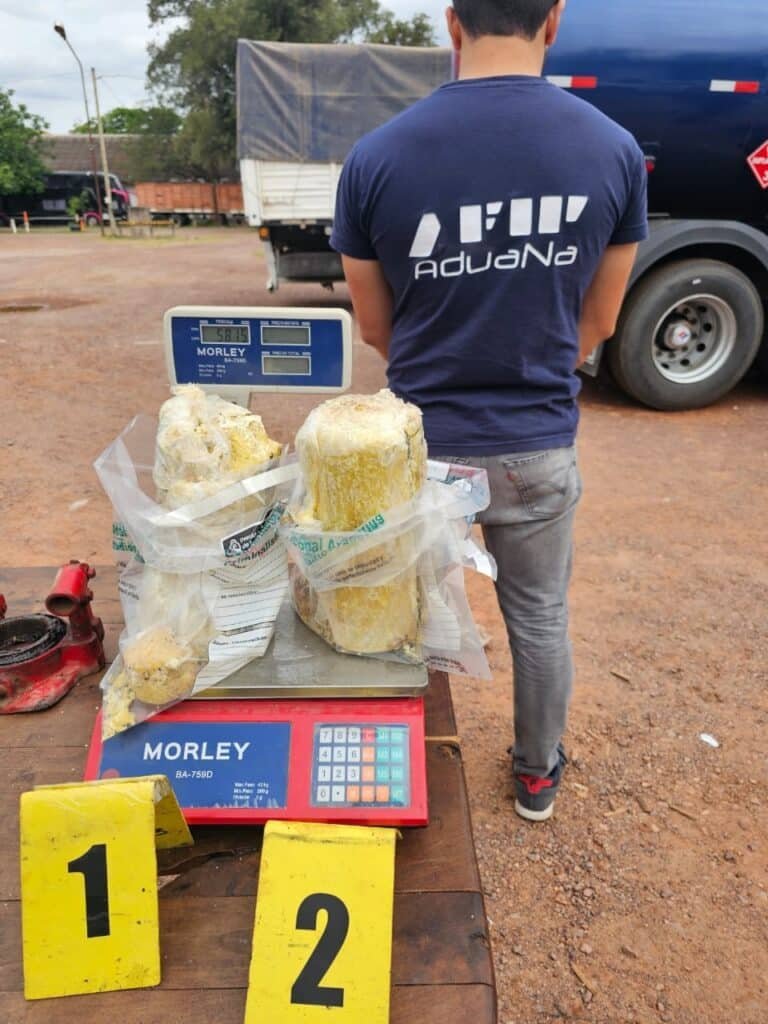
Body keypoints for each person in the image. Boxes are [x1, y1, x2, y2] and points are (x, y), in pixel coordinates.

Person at [330, 0, 648, 821]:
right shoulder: (613, 150)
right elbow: (601, 321)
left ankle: (388, 775)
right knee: (539, 618)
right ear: (554, 19)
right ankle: (537, 775)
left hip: (419, 450)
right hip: (537, 443)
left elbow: (375, 326)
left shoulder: (376, 156)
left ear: (451, 22)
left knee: (400, 611)